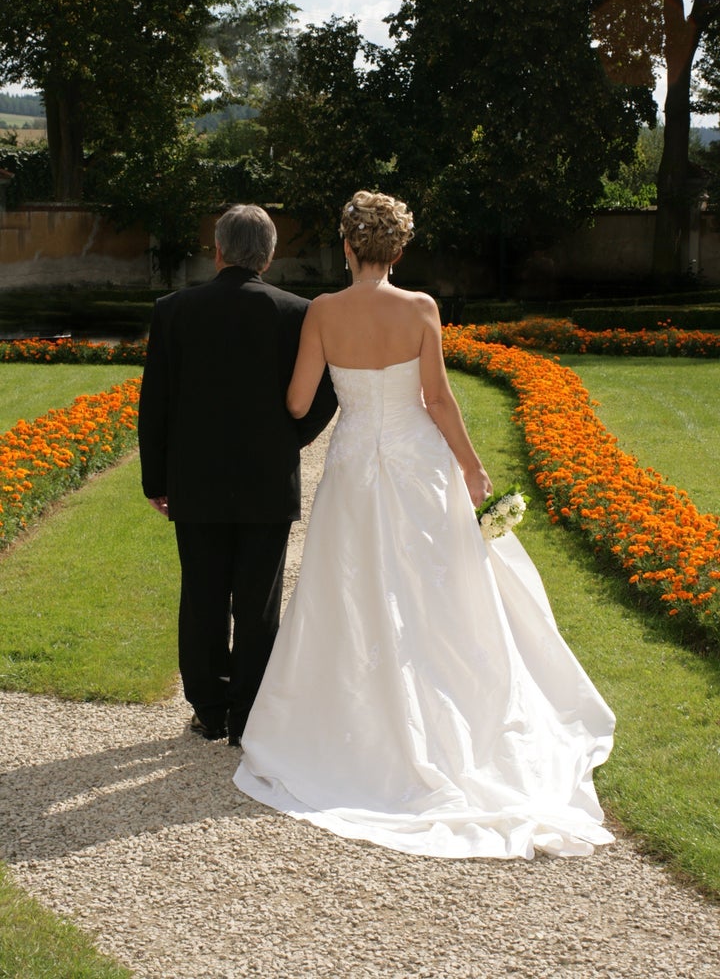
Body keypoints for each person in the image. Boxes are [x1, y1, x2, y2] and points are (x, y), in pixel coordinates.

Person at [233, 190, 615, 859]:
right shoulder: (420, 309)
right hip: (417, 464)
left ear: (347, 246)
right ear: (399, 250)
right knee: (435, 589)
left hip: (354, 466)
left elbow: (297, 401)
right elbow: (436, 399)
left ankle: (349, 721)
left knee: (348, 589)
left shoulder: (322, 311)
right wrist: (471, 469)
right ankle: (450, 718)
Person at [138, 203, 337, 747]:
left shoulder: (174, 310)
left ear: (217, 250)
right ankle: (249, 714)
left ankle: (210, 708)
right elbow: (324, 395)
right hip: (267, 480)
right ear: (268, 256)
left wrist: (156, 480)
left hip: (195, 480)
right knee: (258, 602)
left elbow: (154, 401)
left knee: (202, 595)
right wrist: (285, 443)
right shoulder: (297, 312)